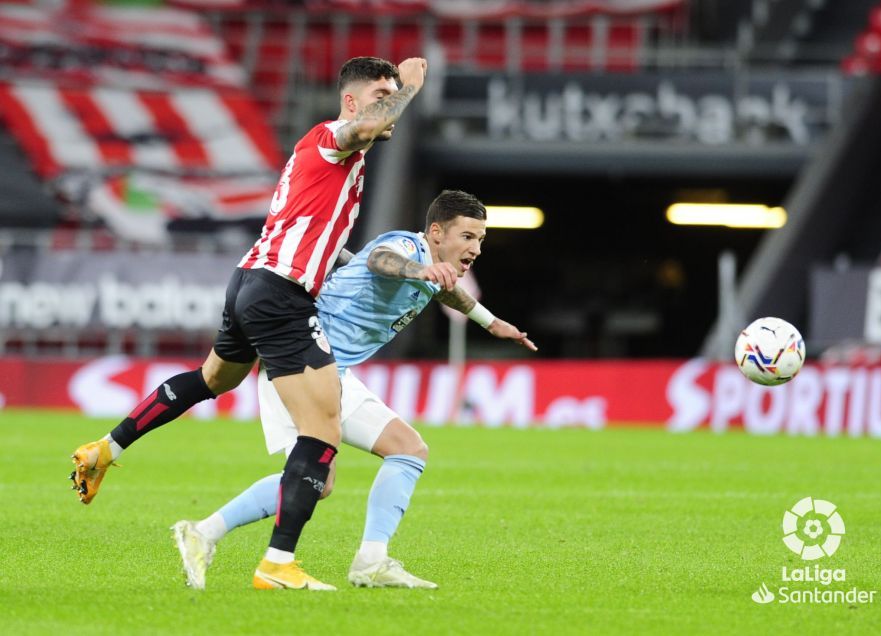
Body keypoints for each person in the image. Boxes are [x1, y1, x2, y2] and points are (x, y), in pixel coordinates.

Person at [69, 56, 429, 591]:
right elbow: (371, 125)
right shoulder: (335, 135)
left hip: (251, 282)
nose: (389, 103)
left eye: (393, 93)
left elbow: (320, 232)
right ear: (351, 101)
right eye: (380, 93)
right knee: (323, 430)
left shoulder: (338, 159)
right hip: (279, 294)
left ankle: (106, 448)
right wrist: (413, 87)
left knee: (214, 379)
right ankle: (277, 564)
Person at [170, 190, 536, 590]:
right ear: (435, 232)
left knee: (407, 450)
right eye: (468, 236)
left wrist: (490, 321)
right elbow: (382, 261)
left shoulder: (433, 267)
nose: (476, 248)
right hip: (299, 366)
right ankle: (204, 534)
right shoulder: (404, 246)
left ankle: (371, 561)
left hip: (332, 373)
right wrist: (418, 271)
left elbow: (443, 289)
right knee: (316, 480)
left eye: (480, 239)